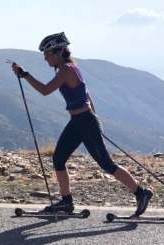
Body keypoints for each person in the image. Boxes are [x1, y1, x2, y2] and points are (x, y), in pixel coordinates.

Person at [10, 32, 153, 217]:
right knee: (59, 159)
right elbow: (86, 93)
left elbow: (45, 90)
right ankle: (66, 202)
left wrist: (25, 74)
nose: (45, 58)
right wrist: (92, 117)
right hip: (80, 121)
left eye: (47, 54)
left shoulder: (66, 70)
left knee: (106, 164)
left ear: (58, 52)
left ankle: (141, 193)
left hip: (84, 121)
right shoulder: (71, 67)